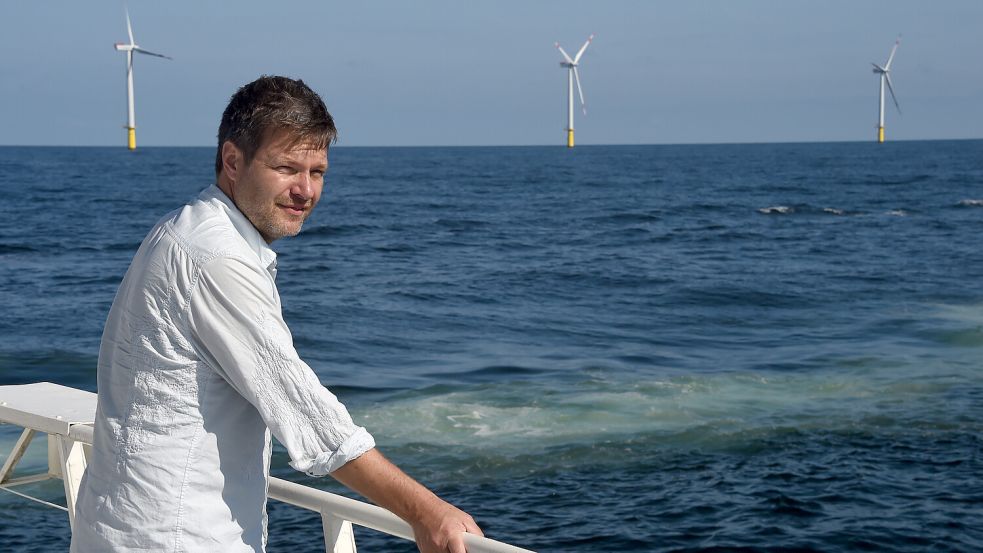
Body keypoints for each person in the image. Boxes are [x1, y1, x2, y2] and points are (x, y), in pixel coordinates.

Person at [71, 75, 482, 553]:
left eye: (318, 171)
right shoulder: (217, 258)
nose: (305, 191)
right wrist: (427, 512)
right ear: (232, 161)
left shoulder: (183, 230)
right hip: (177, 538)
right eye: (287, 167)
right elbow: (308, 416)